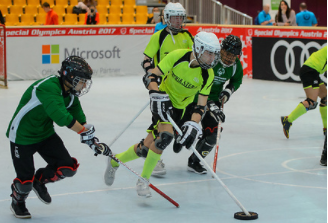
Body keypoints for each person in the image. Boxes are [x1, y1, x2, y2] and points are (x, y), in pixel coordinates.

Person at [104, 31, 220, 197]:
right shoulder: (177, 56)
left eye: (214, 54)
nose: (212, 59)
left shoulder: (207, 74)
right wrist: (155, 94)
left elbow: (200, 106)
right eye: (209, 53)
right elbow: (152, 75)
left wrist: (193, 123)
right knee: (165, 137)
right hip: (162, 102)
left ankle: (116, 160)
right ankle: (143, 181)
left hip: (182, 110)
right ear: (199, 49)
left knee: (146, 148)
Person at [6, 56, 112, 219]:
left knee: (67, 167)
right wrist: (83, 132)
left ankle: (39, 181)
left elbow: (79, 118)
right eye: (81, 81)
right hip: (22, 136)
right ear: (69, 76)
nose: (84, 85)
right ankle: (18, 202)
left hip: (45, 134)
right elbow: (61, 117)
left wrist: (93, 142)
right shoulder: (48, 87)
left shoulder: (69, 93)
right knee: (24, 183)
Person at [173, 35, 243, 174]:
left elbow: (236, 80)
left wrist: (228, 91)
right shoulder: (209, 60)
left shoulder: (235, 66)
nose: (230, 58)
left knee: (214, 133)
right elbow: (198, 84)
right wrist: (210, 104)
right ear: (221, 50)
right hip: (194, 99)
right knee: (182, 132)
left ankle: (195, 160)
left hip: (215, 101)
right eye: (228, 54)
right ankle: (178, 134)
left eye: (234, 55)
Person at [141, 2, 194, 176]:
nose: (178, 21)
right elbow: (146, 60)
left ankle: (147, 150)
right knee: (160, 125)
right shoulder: (159, 36)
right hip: (162, 90)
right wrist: (152, 77)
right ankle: (153, 157)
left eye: (181, 18)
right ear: (167, 18)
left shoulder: (187, 35)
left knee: (176, 123)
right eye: (174, 18)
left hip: (182, 90)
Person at [281, 46, 327, 140]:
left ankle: (326, 128)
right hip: (310, 71)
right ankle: (288, 120)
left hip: (313, 71)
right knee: (311, 102)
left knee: (324, 97)